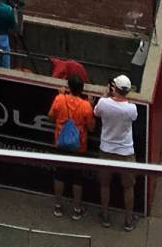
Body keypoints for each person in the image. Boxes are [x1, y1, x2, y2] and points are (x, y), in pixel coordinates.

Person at [93, 73, 140, 230]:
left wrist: (106, 95)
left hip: (106, 151)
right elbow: (133, 117)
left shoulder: (103, 103)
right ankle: (128, 220)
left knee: (104, 185)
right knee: (128, 187)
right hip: (126, 153)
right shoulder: (131, 109)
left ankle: (105, 216)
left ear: (115, 88)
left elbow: (96, 113)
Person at [47, 74, 95, 219]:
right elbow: (92, 128)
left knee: (59, 174)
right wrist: (91, 106)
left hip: (61, 143)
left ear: (68, 87)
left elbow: (50, 116)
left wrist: (61, 97)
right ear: (82, 89)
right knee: (77, 178)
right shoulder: (86, 106)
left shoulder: (60, 99)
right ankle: (77, 209)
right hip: (78, 146)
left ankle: (58, 207)